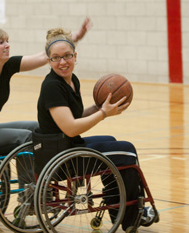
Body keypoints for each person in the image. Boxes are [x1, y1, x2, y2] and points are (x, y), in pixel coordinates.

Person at [33, 28, 157, 231]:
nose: (62, 62)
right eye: (56, 58)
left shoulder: (71, 80)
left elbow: (74, 117)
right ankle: (133, 216)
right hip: (62, 157)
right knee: (127, 150)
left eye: (67, 56)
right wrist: (103, 114)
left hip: (65, 147)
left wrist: (99, 108)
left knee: (112, 140)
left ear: (75, 56)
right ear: (48, 60)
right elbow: (71, 128)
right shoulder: (52, 87)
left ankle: (117, 206)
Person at [0, 17, 92, 159]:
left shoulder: (7, 66)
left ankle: (45, 175)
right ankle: (29, 186)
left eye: (7, 41)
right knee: (26, 138)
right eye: (0, 42)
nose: (7, 45)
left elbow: (45, 56)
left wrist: (74, 38)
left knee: (37, 129)